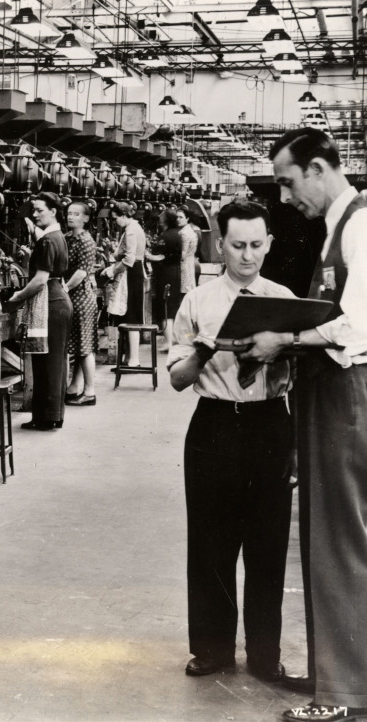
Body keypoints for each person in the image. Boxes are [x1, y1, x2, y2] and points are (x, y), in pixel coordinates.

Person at [238, 128, 367, 722]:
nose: (286, 198)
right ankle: (339, 672)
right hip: (330, 396)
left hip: (347, 397)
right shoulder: (336, 229)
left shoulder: (361, 225)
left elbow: (358, 327)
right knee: (330, 534)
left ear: (318, 168)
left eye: (288, 182)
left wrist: (286, 338)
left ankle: (342, 695)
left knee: (338, 541)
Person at [168, 199, 295, 686]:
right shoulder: (197, 301)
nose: (247, 256)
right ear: (219, 244)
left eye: (256, 246)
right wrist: (204, 348)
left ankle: (265, 654)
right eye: (237, 245)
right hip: (215, 424)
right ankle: (213, 648)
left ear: (269, 244)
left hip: (269, 426)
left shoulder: (283, 298)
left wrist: (281, 349)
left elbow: (297, 376)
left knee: (268, 543)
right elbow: (179, 379)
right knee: (210, 542)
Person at [7, 192, 71, 430]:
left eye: (39, 210)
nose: (34, 214)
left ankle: (45, 418)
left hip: (50, 303)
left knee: (46, 363)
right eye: (33, 211)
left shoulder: (47, 241)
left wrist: (18, 296)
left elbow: (40, 280)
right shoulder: (57, 236)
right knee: (54, 361)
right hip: (59, 300)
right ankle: (52, 415)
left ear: (53, 211)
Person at [63, 201, 98, 406]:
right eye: (69, 213)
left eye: (76, 214)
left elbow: (82, 272)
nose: (71, 217)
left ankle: (90, 392)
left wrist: (65, 288)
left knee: (84, 347)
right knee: (77, 345)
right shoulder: (67, 238)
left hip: (82, 297)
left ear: (85, 218)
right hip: (71, 296)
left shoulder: (86, 240)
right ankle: (75, 387)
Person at [103, 201, 146, 366]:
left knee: (131, 315)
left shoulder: (131, 231)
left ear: (123, 215)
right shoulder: (134, 228)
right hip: (134, 273)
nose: (115, 223)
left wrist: (111, 271)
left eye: (116, 219)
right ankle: (129, 358)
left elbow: (129, 260)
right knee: (130, 315)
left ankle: (133, 359)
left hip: (131, 274)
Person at [152, 208, 184, 349]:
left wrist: (148, 255)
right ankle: (169, 342)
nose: (159, 216)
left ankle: (169, 343)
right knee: (170, 308)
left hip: (166, 275)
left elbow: (161, 256)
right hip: (173, 274)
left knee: (166, 307)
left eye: (162, 214)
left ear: (166, 219)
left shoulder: (167, 236)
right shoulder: (174, 234)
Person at [176, 205, 199, 297]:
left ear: (187, 218)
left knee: (184, 293)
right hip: (190, 264)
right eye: (176, 217)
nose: (178, 219)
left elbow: (183, 255)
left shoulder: (184, 234)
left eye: (181, 217)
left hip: (183, 268)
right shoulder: (190, 230)